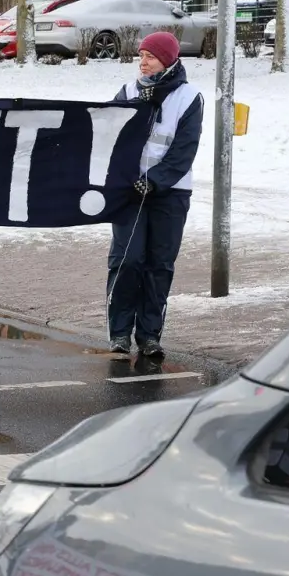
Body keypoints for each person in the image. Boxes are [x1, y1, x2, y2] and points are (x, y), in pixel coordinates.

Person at [106, 31, 202, 360]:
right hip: (130, 193)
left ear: (168, 60)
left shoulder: (189, 98)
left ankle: (149, 336)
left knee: (159, 265)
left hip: (170, 194)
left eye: (149, 57)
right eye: (141, 56)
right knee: (128, 260)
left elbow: (183, 151)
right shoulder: (129, 91)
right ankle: (119, 333)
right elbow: (110, 137)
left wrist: (155, 180)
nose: (142, 63)